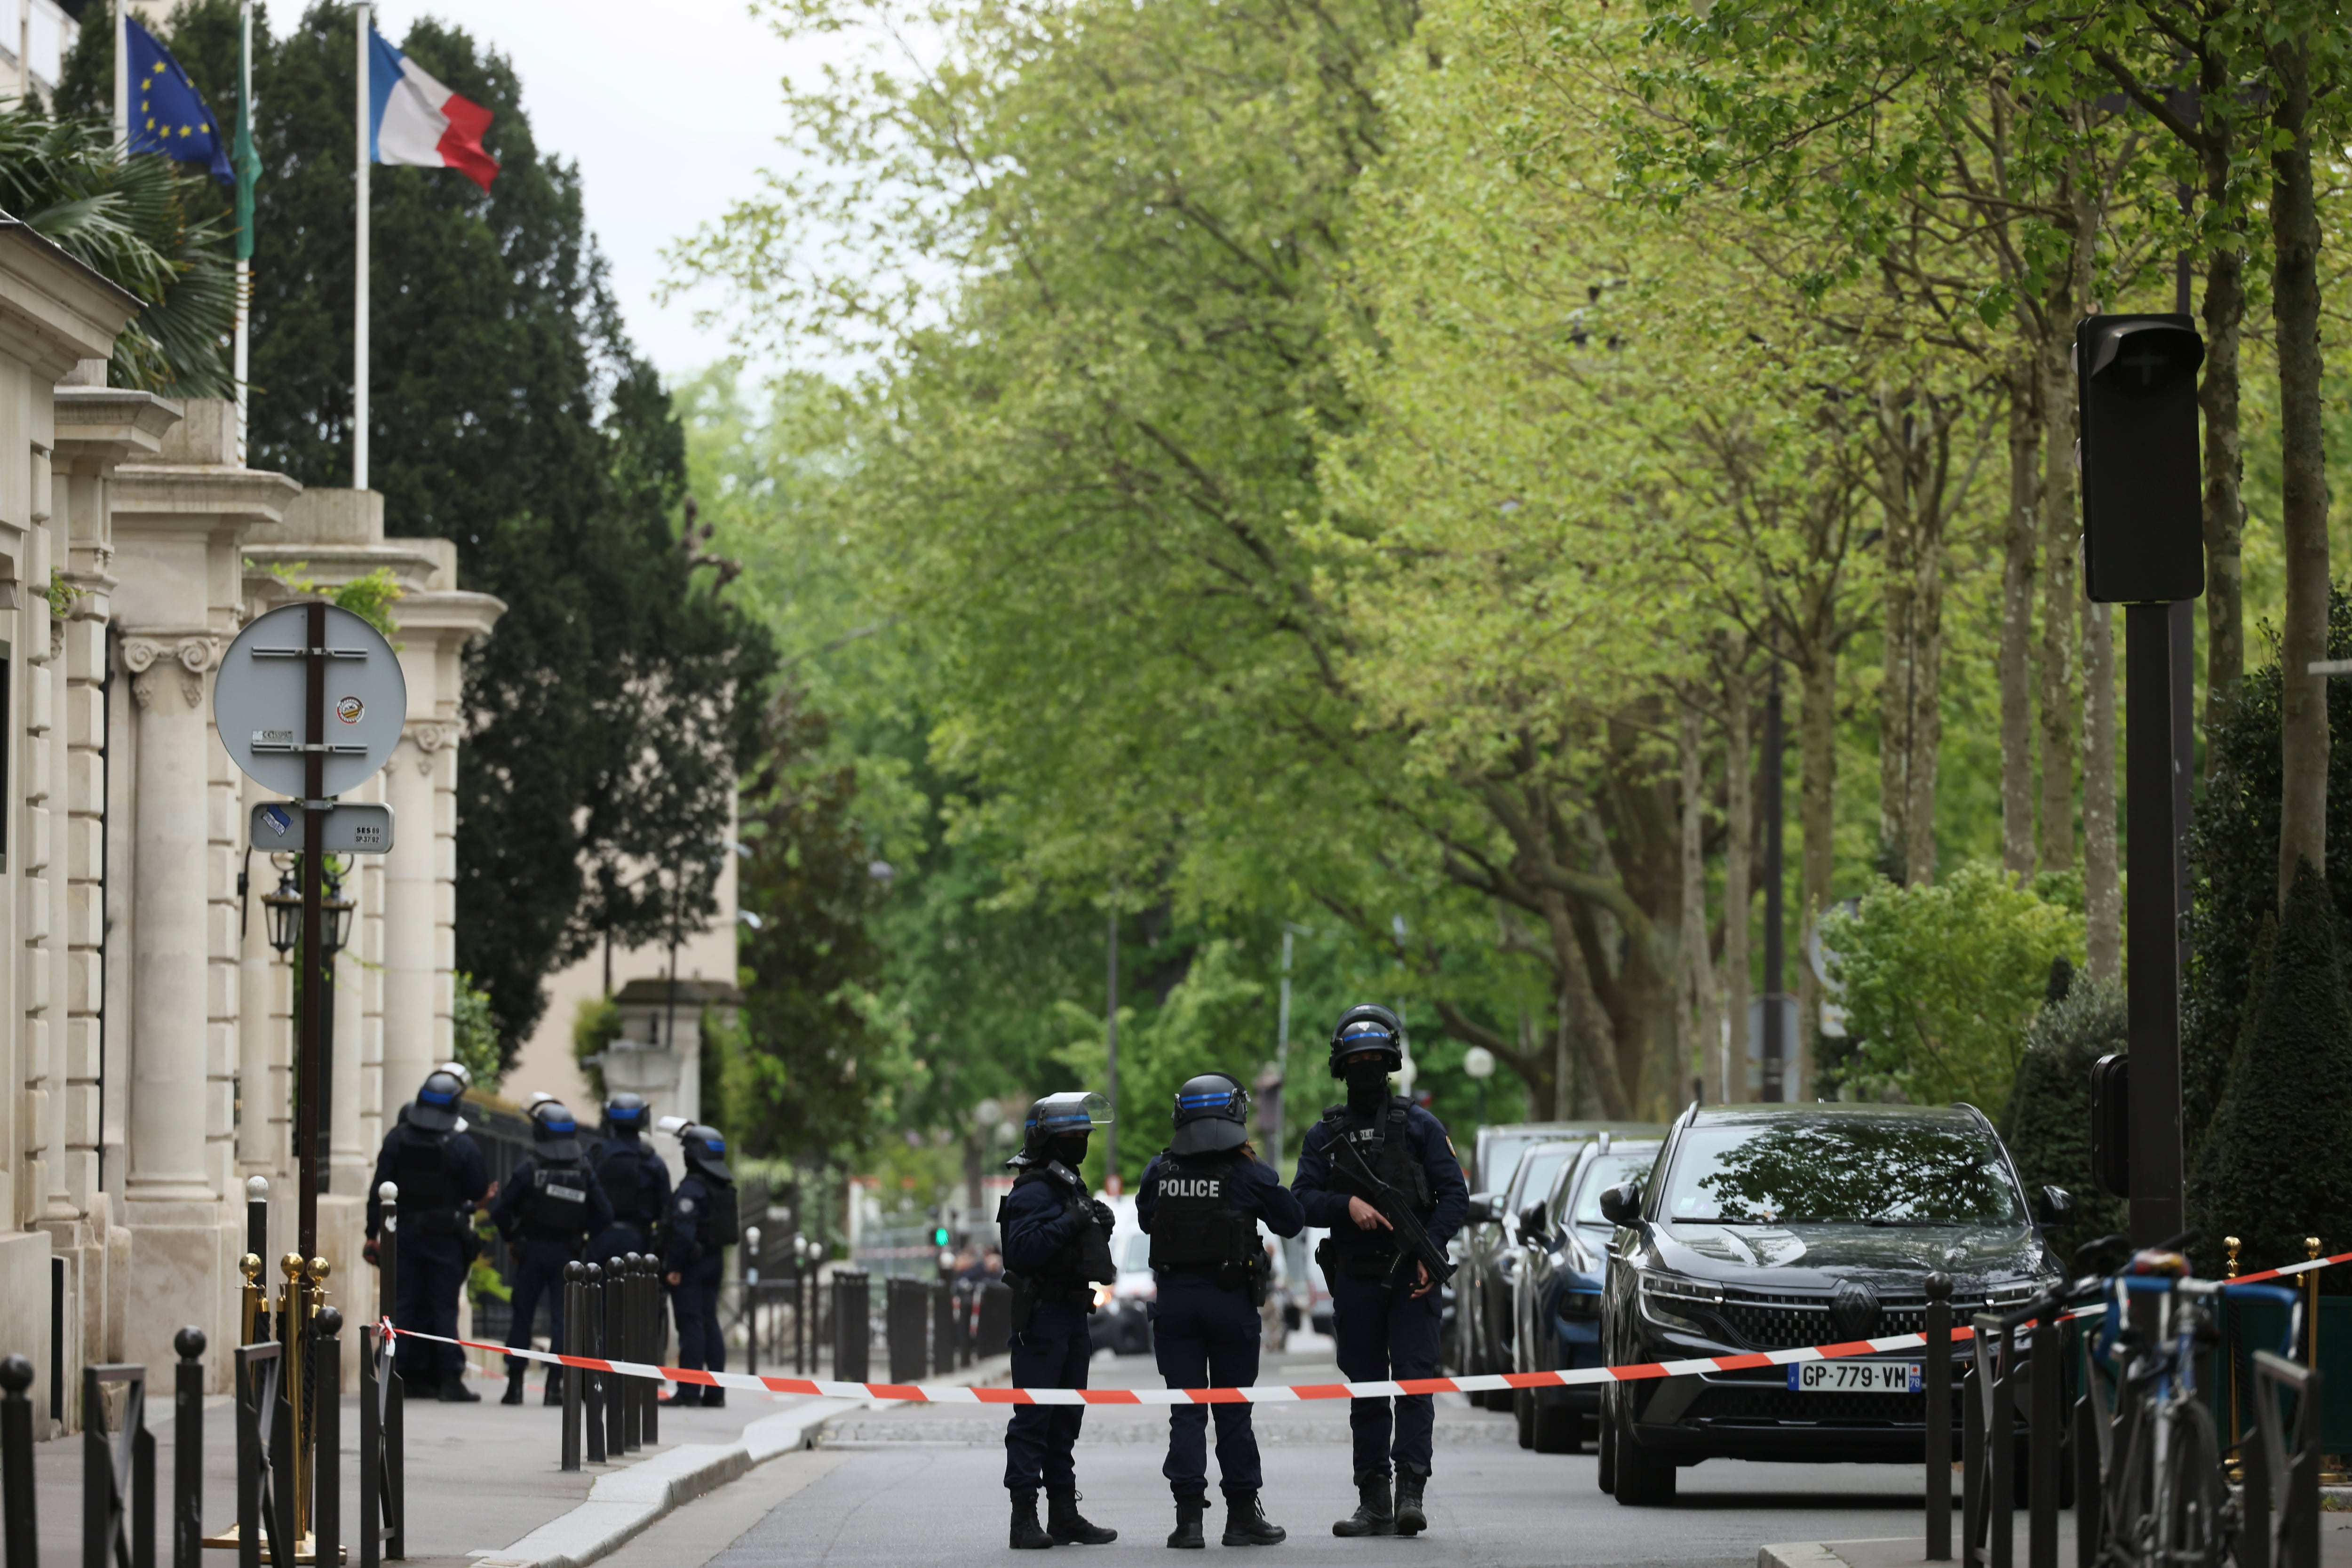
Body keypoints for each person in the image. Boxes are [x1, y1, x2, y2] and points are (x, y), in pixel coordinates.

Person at [1290, 1006, 1468, 1539]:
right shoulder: (1324, 1134)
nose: (1366, 1068)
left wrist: (1426, 1251)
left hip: (1411, 1278)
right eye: (1356, 1061)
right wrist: (1345, 1206)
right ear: (1341, 1068)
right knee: (1366, 1389)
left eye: (1374, 1060)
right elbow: (1300, 1201)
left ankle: (1410, 1492)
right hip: (1357, 1278)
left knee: (1414, 1384)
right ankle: (1374, 1500)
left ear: (1389, 1064)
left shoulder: (1419, 1126)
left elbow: (1453, 1196)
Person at [1137, 1073, 1305, 1549]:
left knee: (1186, 1413)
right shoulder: (1245, 1170)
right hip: (1230, 1304)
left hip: (1174, 1305)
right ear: (1236, 1115)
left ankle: (1188, 1522)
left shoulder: (1160, 1170)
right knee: (1233, 1413)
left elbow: (1147, 1216)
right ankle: (1240, 1518)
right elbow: (1291, 1220)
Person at [998, 1091, 1120, 1551]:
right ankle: (1023, 1517)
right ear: (1047, 1141)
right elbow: (1023, 1251)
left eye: (1084, 1136)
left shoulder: (1069, 1186)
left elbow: (1073, 1250)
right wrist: (1072, 1221)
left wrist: (1096, 1224)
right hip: (1042, 1317)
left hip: (1071, 1314)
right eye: (1071, 1137)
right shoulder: (1032, 1189)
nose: (1080, 1144)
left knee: (1065, 1419)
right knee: (1034, 1420)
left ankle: (1064, 1514)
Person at [364, 1069, 493, 1401]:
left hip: (402, 1235)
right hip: (445, 1238)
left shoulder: (397, 1138)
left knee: (402, 1304)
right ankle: (448, 1378)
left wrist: (371, 1233)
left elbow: (379, 1189)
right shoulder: (461, 1144)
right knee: (443, 1307)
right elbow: (479, 1188)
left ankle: (399, 1372)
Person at [488, 1098, 614, 1405]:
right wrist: (583, 1236)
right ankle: (554, 1386)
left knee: (522, 1316)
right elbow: (605, 1214)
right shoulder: (584, 1170)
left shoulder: (529, 1168)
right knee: (563, 1318)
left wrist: (513, 1238)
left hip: (531, 1251)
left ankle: (515, 1385)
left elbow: (502, 1208)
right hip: (567, 1254)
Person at [660, 1123, 738, 1408]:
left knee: (691, 1325)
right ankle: (716, 1393)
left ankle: (689, 1391)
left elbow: (683, 1233)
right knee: (709, 1322)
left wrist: (675, 1267)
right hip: (713, 1261)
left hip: (691, 1264)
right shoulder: (720, 1185)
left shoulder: (693, 1188)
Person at [587, 1091, 671, 1266]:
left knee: (595, 1290)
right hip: (637, 1240)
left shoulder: (594, 1156)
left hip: (599, 1237)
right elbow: (666, 1210)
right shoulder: (653, 1162)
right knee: (636, 1291)